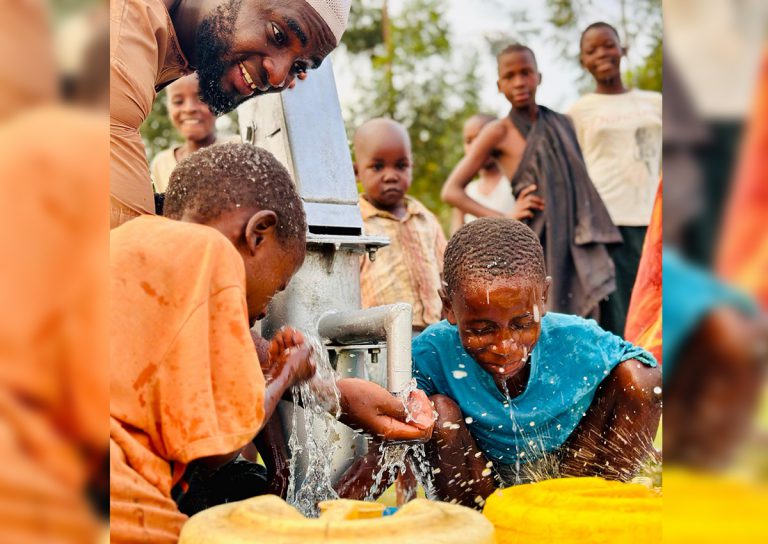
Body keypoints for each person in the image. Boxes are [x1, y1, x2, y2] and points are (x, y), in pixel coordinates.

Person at [110, 143, 433, 543]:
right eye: (276, 288)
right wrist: (283, 376)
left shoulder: (128, 243)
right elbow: (212, 450)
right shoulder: (210, 254)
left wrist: (320, 393)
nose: (264, 311)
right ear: (257, 234)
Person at [413, 218, 660, 509]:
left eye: (522, 324)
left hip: (569, 472)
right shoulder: (430, 352)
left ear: (543, 297)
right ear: (448, 307)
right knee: (437, 413)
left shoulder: (575, 340)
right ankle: (473, 528)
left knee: (642, 379)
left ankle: (589, 512)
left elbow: (647, 379)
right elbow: (388, 429)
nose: (505, 347)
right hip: (481, 483)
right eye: (481, 330)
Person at [110, 0, 351, 227]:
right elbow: (123, 248)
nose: (277, 79)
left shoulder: (161, 39)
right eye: (277, 35)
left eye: (298, 66)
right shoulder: (116, 52)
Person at [441, 44, 621, 319]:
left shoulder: (563, 123)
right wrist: (504, 217)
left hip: (575, 237)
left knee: (589, 319)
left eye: (526, 73)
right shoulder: (497, 131)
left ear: (539, 77)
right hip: (532, 241)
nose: (519, 82)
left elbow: (581, 186)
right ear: (499, 85)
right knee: (541, 315)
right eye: (510, 76)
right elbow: (451, 191)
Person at [567, 22, 662, 335]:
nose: (602, 54)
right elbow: (571, 172)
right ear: (583, 62)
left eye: (608, 45)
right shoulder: (578, 112)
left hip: (657, 216)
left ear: (623, 49)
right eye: (591, 50)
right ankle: (632, 379)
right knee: (623, 312)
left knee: (662, 303)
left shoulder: (656, 102)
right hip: (609, 226)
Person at [355, 118, 447, 333]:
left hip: (432, 333)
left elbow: (445, 275)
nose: (390, 176)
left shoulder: (425, 218)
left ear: (411, 167)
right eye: (377, 167)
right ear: (357, 172)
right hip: (378, 339)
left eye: (400, 166)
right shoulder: (355, 223)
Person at [150, 73, 239, 194]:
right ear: (168, 108)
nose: (189, 108)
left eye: (202, 98)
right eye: (178, 101)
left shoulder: (238, 147)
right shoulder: (161, 164)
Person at [450, 114, 523, 234]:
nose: (475, 146)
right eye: (468, 141)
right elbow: (455, 238)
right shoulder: (464, 192)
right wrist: (504, 219)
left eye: (481, 138)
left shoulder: (515, 181)